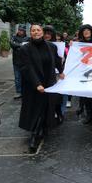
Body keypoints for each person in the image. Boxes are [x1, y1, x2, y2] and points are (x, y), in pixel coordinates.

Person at [18, 24, 65, 153]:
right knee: (36, 109)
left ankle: (40, 131)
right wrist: (37, 83)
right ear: (30, 33)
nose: (36, 32)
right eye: (33, 30)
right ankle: (34, 136)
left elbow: (56, 60)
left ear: (42, 32)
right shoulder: (25, 49)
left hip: (49, 83)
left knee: (45, 108)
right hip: (33, 85)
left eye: (38, 30)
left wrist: (61, 72)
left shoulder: (51, 46)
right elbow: (27, 68)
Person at [78, 24, 92, 124]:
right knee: (85, 95)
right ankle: (88, 115)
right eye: (84, 30)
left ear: (91, 32)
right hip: (83, 72)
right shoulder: (79, 44)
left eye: (88, 30)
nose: (86, 32)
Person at [10, 25, 30, 99]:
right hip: (16, 61)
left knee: (25, 77)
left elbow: (28, 47)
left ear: (24, 31)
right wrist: (21, 45)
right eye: (19, 30)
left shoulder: (28, 38)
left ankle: (25, 91)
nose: (20, 31)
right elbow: (12, 44)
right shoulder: (14, 37)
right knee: (17, 77)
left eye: (21, 30)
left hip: (25, 61)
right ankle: (18, 92)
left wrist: (18, 46)